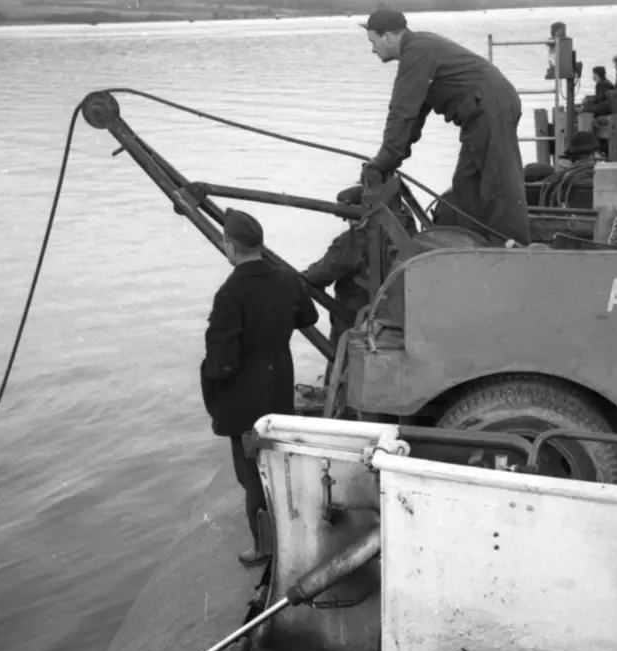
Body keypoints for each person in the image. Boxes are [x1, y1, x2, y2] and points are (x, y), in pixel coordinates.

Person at [201, 209, 320, 567]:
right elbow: (309, 317)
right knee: (278, 463)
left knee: (251, 473)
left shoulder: (230, 294)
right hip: (279, 387)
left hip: (245, 399)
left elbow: (221, 362)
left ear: (232, 248)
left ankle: (263, 547)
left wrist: (211, 378)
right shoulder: (286, 280)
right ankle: (290, 529)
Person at [360, 8, 531, 247]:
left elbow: (401, 114)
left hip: (490, 107)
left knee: (498, 184)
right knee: (465, 185)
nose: (372, 49)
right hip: (483, 111)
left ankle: (515, 250)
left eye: (373, 41)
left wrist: (381, 162)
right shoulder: (421, 48)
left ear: (387, 37)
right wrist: (389, 160)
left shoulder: (416, 54)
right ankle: (476, 247)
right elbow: (412, 118)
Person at [301, 184, 416, 384]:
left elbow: (321, 273)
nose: (346, 221)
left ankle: (339, 396)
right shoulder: (398, 230)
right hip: (390, 316)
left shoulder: (354, 239)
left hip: (354, 317)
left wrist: (303, 277)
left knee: (343, 365)